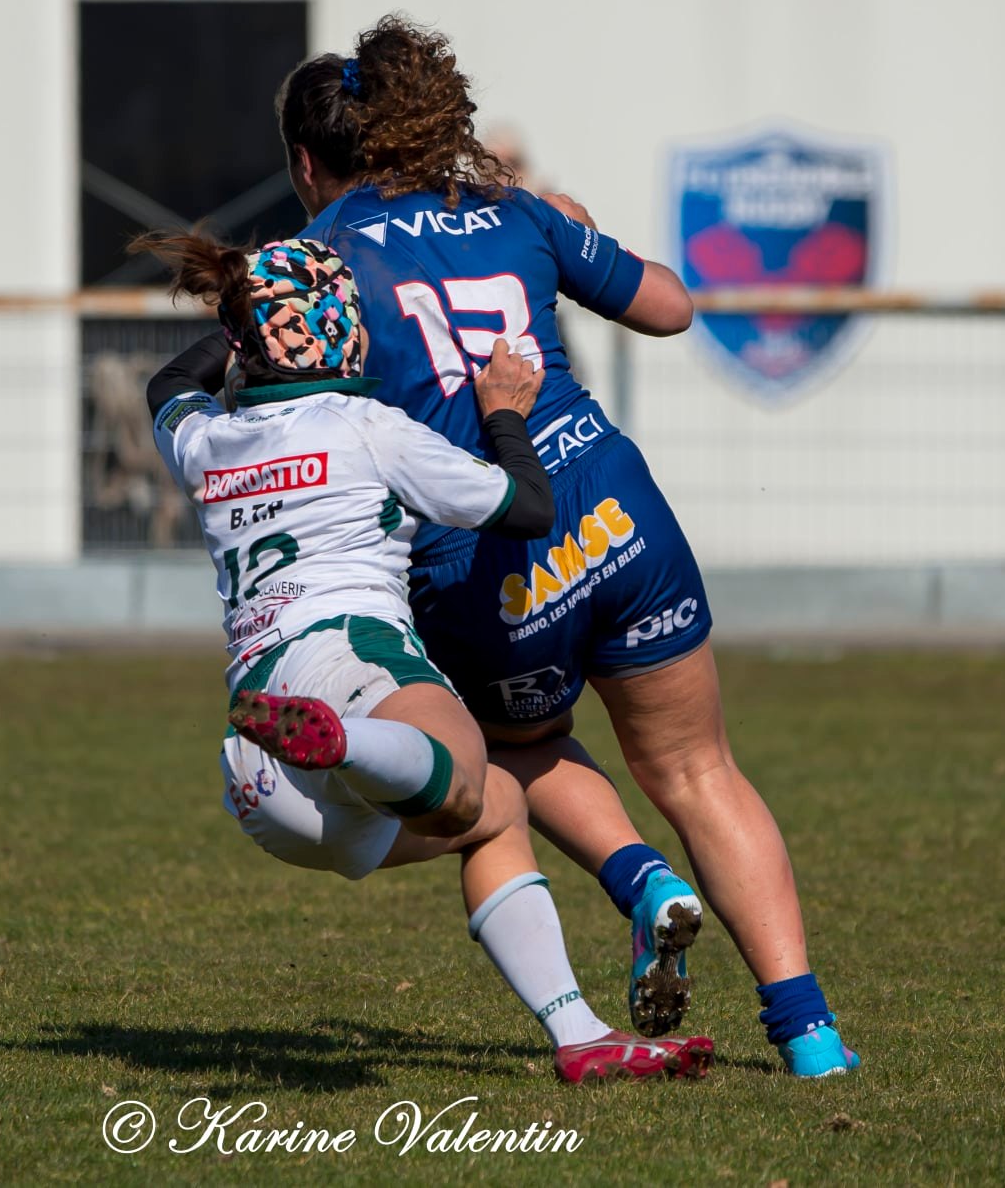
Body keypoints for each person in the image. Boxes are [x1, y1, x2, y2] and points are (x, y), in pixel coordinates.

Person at [273, 17, 858, 1077]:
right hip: (615, 505)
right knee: (696, 766)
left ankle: (638, 880)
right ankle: (810, 1035)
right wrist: (576, 229)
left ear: (309, 164)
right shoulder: (510, 209)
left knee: (508, 752)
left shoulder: (314, 258)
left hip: (490, 549)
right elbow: (671, 308)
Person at [144, 231, 712, 1084]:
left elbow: (167, 386)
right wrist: (505, 410)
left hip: (261, 786)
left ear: (244, 340)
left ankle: (582, 1035)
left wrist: (238, 320)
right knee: (463, 785)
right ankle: (342, 741)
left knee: (493, 816)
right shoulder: (369, 427)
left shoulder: (207, 443)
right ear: (347, 331)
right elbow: (524, 506)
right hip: (350, 669)